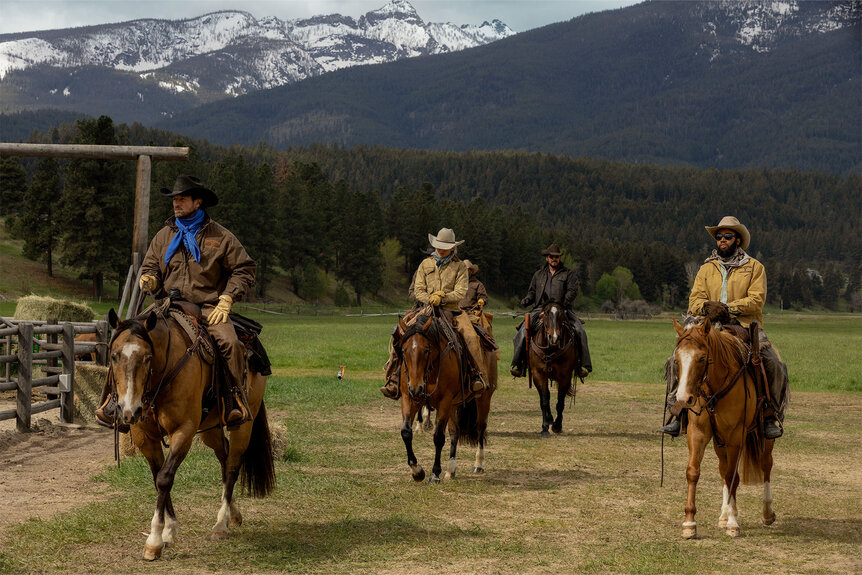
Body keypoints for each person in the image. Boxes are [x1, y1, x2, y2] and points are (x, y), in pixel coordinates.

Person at [96, 175, 256, 428]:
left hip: (207, 307)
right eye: (174, 200)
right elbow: (150, 265)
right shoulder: (163, 236)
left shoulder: (221, 237)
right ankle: (111, 402)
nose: (176, 204)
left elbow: (244, 269)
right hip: (166, 307)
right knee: (125, 339)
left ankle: (234, 400)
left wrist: (227, 298)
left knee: (230, 343)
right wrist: (150, 278)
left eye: (182, 199)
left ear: (198, 202)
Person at [659, 216, 789, 439]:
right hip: (707, 326)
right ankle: (677, 412)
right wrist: (708, 307)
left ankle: (770, 415)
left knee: (773, 363)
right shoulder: (706, 268)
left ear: (737, 240)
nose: (722, 240)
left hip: (744, 325)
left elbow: (756, 300)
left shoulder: (755, 267)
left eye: (727, 236)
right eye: (719, 237)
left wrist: (728, 309)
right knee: (676, 359)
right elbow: (694, 300)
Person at [380, 228, 489, 399]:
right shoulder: (425, 264)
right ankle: (394, 376)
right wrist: (431, 298)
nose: (440, 249)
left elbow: (461, 292)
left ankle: (477, 375)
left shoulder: (460, 266)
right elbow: (418, 290)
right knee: (401, 333)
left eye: (445, 246)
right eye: (439, 246)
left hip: (452, 311)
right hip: (426, 308)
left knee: (471, 336)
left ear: (453, 248)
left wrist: (443, 297)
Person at [510, 243, 592, 379]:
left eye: (557, 257)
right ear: (547, 258)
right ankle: (519, 365)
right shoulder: (538, 275)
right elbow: (532, 292)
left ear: (559, 258)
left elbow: (572, 291)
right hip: (540, 309)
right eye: (551, 256)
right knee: (522, 332)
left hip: (562, 309)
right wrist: (527, 299)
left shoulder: (568, 274)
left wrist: (562, 304)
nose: (554, 259)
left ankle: (581, 366)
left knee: (580, 331)